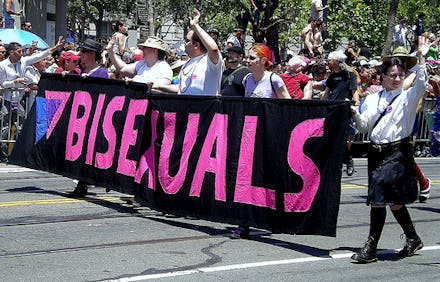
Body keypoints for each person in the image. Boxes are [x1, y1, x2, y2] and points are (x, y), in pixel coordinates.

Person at [350, 36, 429, 263]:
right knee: (393, 200)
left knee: (378, 195)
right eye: (392, 75)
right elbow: (364, 126)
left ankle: (371, 247)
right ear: (382, 76)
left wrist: (421, 59)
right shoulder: (374, 99)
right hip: (376, 152)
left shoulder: (408, 97)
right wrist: (355, 112)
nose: (397, 79)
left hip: (397, 152)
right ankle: (413, 238)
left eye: (400, 75)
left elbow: (422, 85)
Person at [69, 39, 109, 198]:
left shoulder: (102, 73)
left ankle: (83, 183)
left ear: (92, 54)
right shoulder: (83, 73)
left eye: (84, 52)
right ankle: (84, 181)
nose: (81, 55)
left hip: (94, 116)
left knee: (90, 150)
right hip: (82, 116)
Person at [152, 9, 222, 96]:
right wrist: (159, 87)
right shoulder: (187, 63)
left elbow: (213, 49)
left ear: (196, 45)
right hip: (185, 108)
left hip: (205, 108)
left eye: (187, 40)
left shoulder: (210, 60)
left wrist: (195, 26)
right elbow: (182, 88)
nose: (184, 43)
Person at [0, 38, 64, 111]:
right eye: (19, 51)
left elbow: (39, 56)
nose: (21, 53)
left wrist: (55, 47)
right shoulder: (2, 65)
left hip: (19, 99)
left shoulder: (24, 60)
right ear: (11, 52)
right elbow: (3, 84)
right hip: (7, 99)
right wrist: (15, 82)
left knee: (21, 119)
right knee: (5, 119)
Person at [321, 50, 357, 176]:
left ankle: (348, 159)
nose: (328, 62)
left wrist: (355, 105)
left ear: (336, 61)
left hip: (345, 109)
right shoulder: (331, 77)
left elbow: (354, 91)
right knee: (333, 136)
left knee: (347, 137)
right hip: (333, 109)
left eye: (330, 60)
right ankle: (337, 162)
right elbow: (327, 92)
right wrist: (321, 105)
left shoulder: (349, 75)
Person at [107, 36, 172, 86]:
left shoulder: (164, 68)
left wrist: (137, 83)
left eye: (145, 47)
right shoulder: (142, 64)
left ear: (154, 50)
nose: (142, 49)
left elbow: (163, 87)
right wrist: (110, 52)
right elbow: (122, 69)